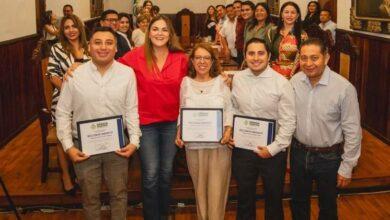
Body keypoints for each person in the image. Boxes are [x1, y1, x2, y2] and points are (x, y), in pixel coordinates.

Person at [56, 26, 141, 220]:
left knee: (119, 195)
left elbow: (131, 110)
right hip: (84, 148)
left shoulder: (127, 74)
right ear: (88, 46)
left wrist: (134, 141)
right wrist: (68, 147)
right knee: (90, 198)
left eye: (109, 43)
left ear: (116, 48)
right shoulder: (74, 75)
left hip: (118, 146)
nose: (103, 47)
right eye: (98, 42)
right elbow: (62, 113)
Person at [118, 15, 188, 219]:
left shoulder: (181, 58)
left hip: (171, 124)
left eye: (164, 29)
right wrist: (79, 66)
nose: (159, 33)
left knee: (166, 174)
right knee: (150, 174)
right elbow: (111, 67)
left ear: (170, 34)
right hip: (146, 123)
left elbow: (198, 80)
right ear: (148, 32)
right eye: (155, 29)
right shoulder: (134, 56)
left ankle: (163, 214)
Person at [290, 38, 362, 220]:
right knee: (298, 203)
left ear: (327, 57)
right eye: (304, 58)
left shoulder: (344, 88)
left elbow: (353, 131)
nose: (308, 63)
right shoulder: (295, 81)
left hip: (329, 158)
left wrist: (347, 166)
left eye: (314, 58)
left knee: (328, 207)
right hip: (299, 153)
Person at [230, 38, 296, 220]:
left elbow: (288, 121)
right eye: (251, 53)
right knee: (244, 198)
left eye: (261, 53)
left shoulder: (281, 83)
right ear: (245, 56)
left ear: (269, 56)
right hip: (243, 149)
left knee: (274, 199)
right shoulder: (238, 78)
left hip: (273, 152)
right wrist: (231, 133)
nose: (256, 58)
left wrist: (273, 149)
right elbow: (234, 108)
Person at [175, 43, 233, 220]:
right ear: (192, 61)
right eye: (198, 57)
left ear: (212, 61)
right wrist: (179, 133)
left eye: (206, 58)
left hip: (219, 146)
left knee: (217, 191)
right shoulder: (185, 83)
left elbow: (230, 109)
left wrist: (228, 131)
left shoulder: (222, 82)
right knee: (199, 190)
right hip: (194, 147)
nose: (202, 61)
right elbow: (181, 110)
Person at [266, 1, 307, 78]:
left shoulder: (303, 35)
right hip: (273, 74)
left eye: (293, 12)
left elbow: (304, 57)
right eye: (286, 12)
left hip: (294, 75)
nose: (289, 15)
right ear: (281, 14)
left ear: (297, 15)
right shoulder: (272, 32)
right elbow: (266, 52)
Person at [235, 1, 255, 66]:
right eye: (242, 10)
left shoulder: (256, 24)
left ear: (253, 11)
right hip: (245, 55)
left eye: (247, 10)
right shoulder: (247, 24)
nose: (244, 12)